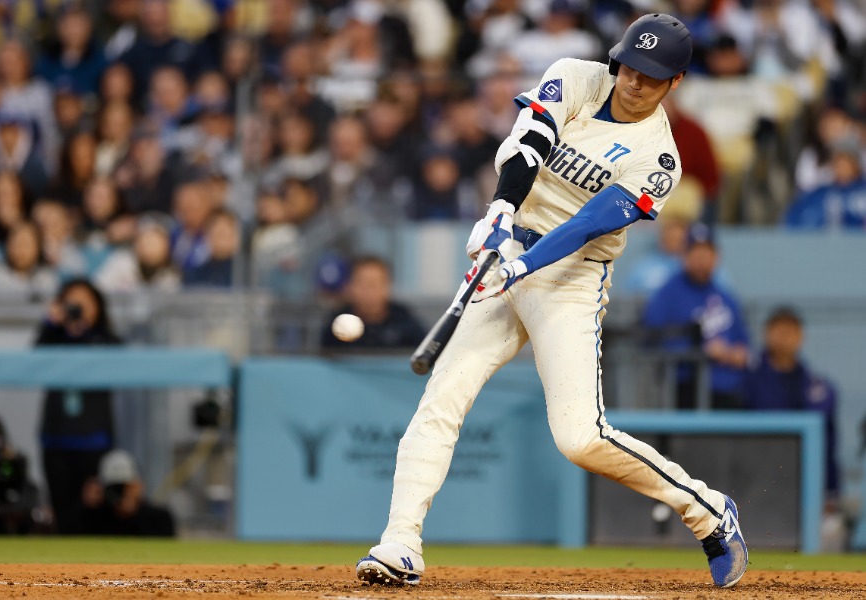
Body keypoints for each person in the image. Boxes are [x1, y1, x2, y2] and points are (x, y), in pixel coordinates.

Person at [355, 14, 748, 589]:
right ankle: (400, 542)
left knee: (580, 437)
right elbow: (530, 142)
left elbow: (590, 223)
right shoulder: (575, 75)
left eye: (651, 76)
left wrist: (520, 266)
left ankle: (709, 511)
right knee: (442, 397)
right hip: (511, 246)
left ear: (676, 82)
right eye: (630, 68)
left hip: (570, 279)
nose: (634, 83)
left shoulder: (660, 158)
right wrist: (499, 213)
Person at [35, 278, 121, 534]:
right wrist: (51, 323)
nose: (78, 309)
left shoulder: (105, 339)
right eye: (72, 303)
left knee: (96, 509)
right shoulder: (53, 338)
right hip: (57, 439)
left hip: (95, 441)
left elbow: (119, 358)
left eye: (86, 303)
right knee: (62, 511)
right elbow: (34, 359)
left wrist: (89, 331)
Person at [643, 224, 749, 409]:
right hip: (685, 387)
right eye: (696, 253)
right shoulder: (667, 293)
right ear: (684, 256)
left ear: (716, 257)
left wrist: (731, 353)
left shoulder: (725, 296)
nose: (702, 260)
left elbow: (744, 345)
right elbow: (651, 338)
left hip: (730, 388)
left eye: (707, 254)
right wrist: (701, 351)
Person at [743, 307, 839, 496]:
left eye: (791, 331)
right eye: (779, 331)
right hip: (755, 483)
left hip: (804, 484)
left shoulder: (818, 389)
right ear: (767, 334)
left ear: (801, 336)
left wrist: (832, 491)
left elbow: (828, 448)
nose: (785, 337)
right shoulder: (745, 382)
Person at [321, 256, 425, 350]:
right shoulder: (336, 325)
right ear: (350, 286)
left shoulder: (406, 323)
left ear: (387, 286)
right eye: (362, 283)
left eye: (374, 284)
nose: (369, 291)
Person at [78, 449, 175, 537]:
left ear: (139, 485)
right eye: (112, 486)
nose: (118, 491)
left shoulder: (159, 518)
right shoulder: (93, 518)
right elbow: (69, 532)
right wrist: (85, 506)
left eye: (125, 486)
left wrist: (134, 511)